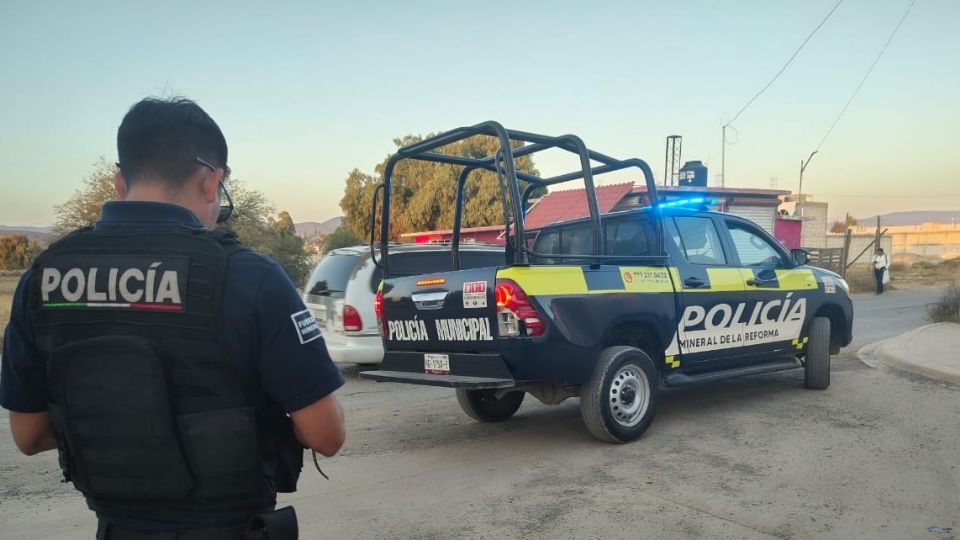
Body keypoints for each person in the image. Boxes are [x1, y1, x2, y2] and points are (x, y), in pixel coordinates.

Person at [0, 97, 346, 539]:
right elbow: (325, 434)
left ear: (120, 182)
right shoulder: (249, 276)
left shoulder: (43, 277)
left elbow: (28, 435)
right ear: (211, 181)